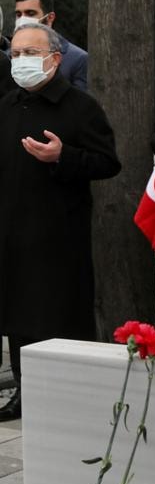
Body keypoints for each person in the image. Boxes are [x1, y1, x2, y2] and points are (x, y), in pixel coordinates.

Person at [0, 22, 121, 420]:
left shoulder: (80, 107)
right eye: (15, 54)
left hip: (58, 238)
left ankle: (70, 394)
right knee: (18, 319)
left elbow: (107, 162)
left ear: (54, 59)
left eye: (30, 54)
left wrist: (63, 157)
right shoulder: (7, 105)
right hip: (12, 235)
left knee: (57, 316)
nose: (21, 62)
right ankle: (24, 389)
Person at [13, 0, 89, 91]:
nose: (23, 19)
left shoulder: (78, 59)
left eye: (30, 13)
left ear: (49, 18)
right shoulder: (9, 55)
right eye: (18, 14)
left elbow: (80, 104)